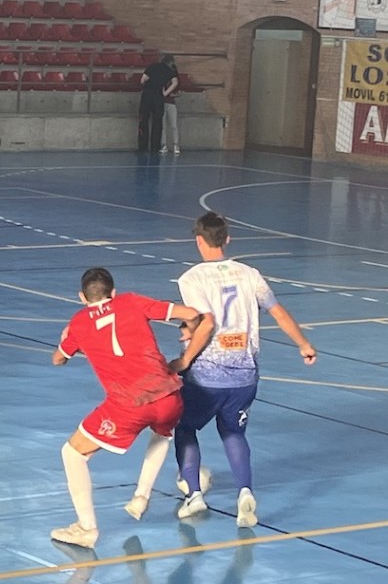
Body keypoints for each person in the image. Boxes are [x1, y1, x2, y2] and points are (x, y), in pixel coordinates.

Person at [173, 212, 317, 527]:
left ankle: (194, 495)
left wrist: (184, 361)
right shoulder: (250, 274)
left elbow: (204, 322)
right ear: (227, 239)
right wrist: (303, 344)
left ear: (198, 241)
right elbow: (278, 313)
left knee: (185, 428)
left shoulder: (192, 279)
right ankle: (245, 492)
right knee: (233, 431)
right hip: (245, 374)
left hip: (206, 375)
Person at [50, 267, 207, 549]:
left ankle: (86, 528)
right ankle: (141, 496)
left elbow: (58, 359)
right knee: (162, 432)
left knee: (72, 452)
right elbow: (190, 312)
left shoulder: (79, 321)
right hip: (169, 394)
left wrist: (69, 340)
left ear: (82, 297)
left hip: (129, 403)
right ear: (113, 293)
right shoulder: (131, 301)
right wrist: (192, 333)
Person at [137, 54, 178, 155]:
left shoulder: (152, 66)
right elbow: (175, 82)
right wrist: (165, 93)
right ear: (170, 62)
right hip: (159, 95)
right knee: (157, 123)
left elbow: (143, 80)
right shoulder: (169, 70)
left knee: (144, 120)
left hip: (147, 94)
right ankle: (155, 147)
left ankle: (143, 147)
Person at [160, 54, 181, 156]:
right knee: (163, 125)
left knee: (174, 125)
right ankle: (164, 145)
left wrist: (173, 94)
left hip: (171, 103)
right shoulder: (161, 77)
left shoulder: (175, 77)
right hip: (162, 102)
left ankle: (176, 144)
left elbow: (179, 92)